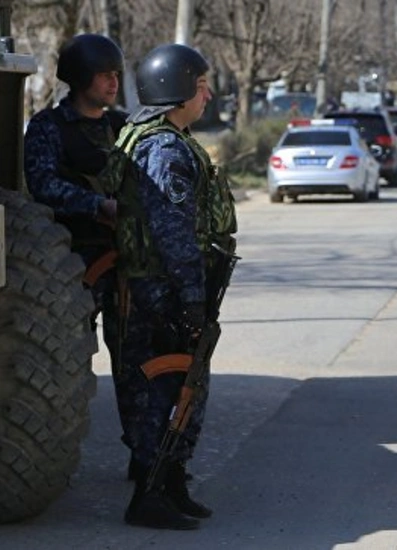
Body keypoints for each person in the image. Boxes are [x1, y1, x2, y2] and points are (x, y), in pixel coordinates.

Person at [113, 43, 237, 530]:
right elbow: (173, 232)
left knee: (185, 387)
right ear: (177, 91)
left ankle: (172, 482)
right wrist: (190, 300)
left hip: (165, 285)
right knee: (165, 392)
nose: (207, 96)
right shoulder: (163, 148)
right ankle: (149, 492)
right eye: (201, 86)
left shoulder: (165, 138)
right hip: (160, 289)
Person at [22, 34, 136, 468]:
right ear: (81, 78)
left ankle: (143, 457)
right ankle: (51, 456)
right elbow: (43, 185)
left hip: (122, 264)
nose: (112, 83)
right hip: (67, 266)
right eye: (104, 75)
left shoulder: (121, 127)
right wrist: (97, 205)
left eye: (115, 75)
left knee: (133, 364)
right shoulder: (49, 127)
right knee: (64, 364)